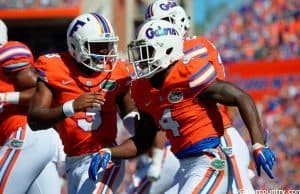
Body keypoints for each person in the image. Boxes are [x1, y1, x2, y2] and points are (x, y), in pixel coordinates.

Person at [89, 19, 276, 193]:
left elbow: (242, 98)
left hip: (211, 162)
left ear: (167, 50)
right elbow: (142, 141)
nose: (140, 59)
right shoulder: (142, 88)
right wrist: (110, 152)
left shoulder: (189, 74)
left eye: (147, 52)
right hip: (184, 166)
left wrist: (258, 144)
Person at [144, 0, 274, 192]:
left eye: (162, 23)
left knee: (241, 189)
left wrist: (243, 137)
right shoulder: (154, 62)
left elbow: (226, 94)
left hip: (217, 137)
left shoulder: (197, 48)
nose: (157, 31)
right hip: (185, 148)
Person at [28, 13, 138, 194]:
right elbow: (35, 119)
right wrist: (71, 107)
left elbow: (129, 110)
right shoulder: (55, 67)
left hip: (105, 158)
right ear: (75, 46)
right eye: (98, 46)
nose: (105, 52)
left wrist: (139, 128)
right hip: (73, 161)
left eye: (107, 46)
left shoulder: (118, 71)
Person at [0, 19, 65, 194]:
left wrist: (5, 97)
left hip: (25, 136)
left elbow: (41, 86)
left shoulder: (7, 55)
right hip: (31, 142)